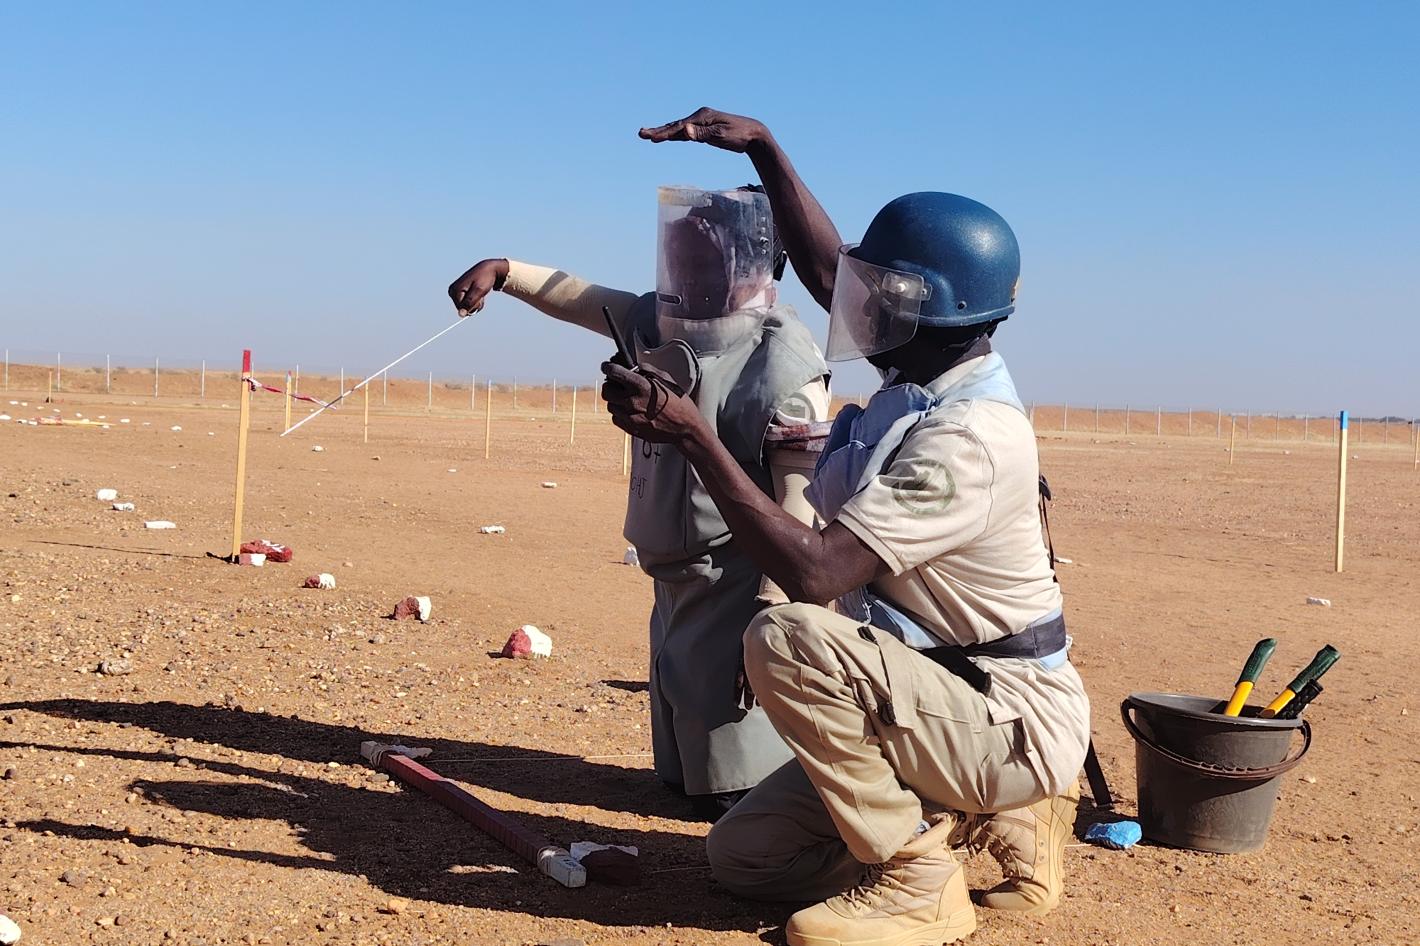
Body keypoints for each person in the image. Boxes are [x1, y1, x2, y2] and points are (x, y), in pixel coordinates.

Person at [601, 109, 1091, 946]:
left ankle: (920, 879)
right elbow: (835, 273)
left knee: (790, 637)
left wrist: (691, 434)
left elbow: (818, 574)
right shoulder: (929, 366)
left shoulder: (967, 439)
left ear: (933, 312)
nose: (856, 302)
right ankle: (969, 816)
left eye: (886, 293)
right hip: (935, 694)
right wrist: (765, 150)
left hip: (1007, 716)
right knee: (744, 862)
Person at [447, 184, 831, 822]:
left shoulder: (783, 365)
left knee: (732, 781)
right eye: (681, 256)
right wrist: (506, 271)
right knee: (680, 766)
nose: (687, 272)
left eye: (704, 258)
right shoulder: (659, 322)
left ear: (750, 262)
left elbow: (799, 504)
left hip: (736, 583)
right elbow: (586, 299)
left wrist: (769, 624)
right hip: (670, 575)